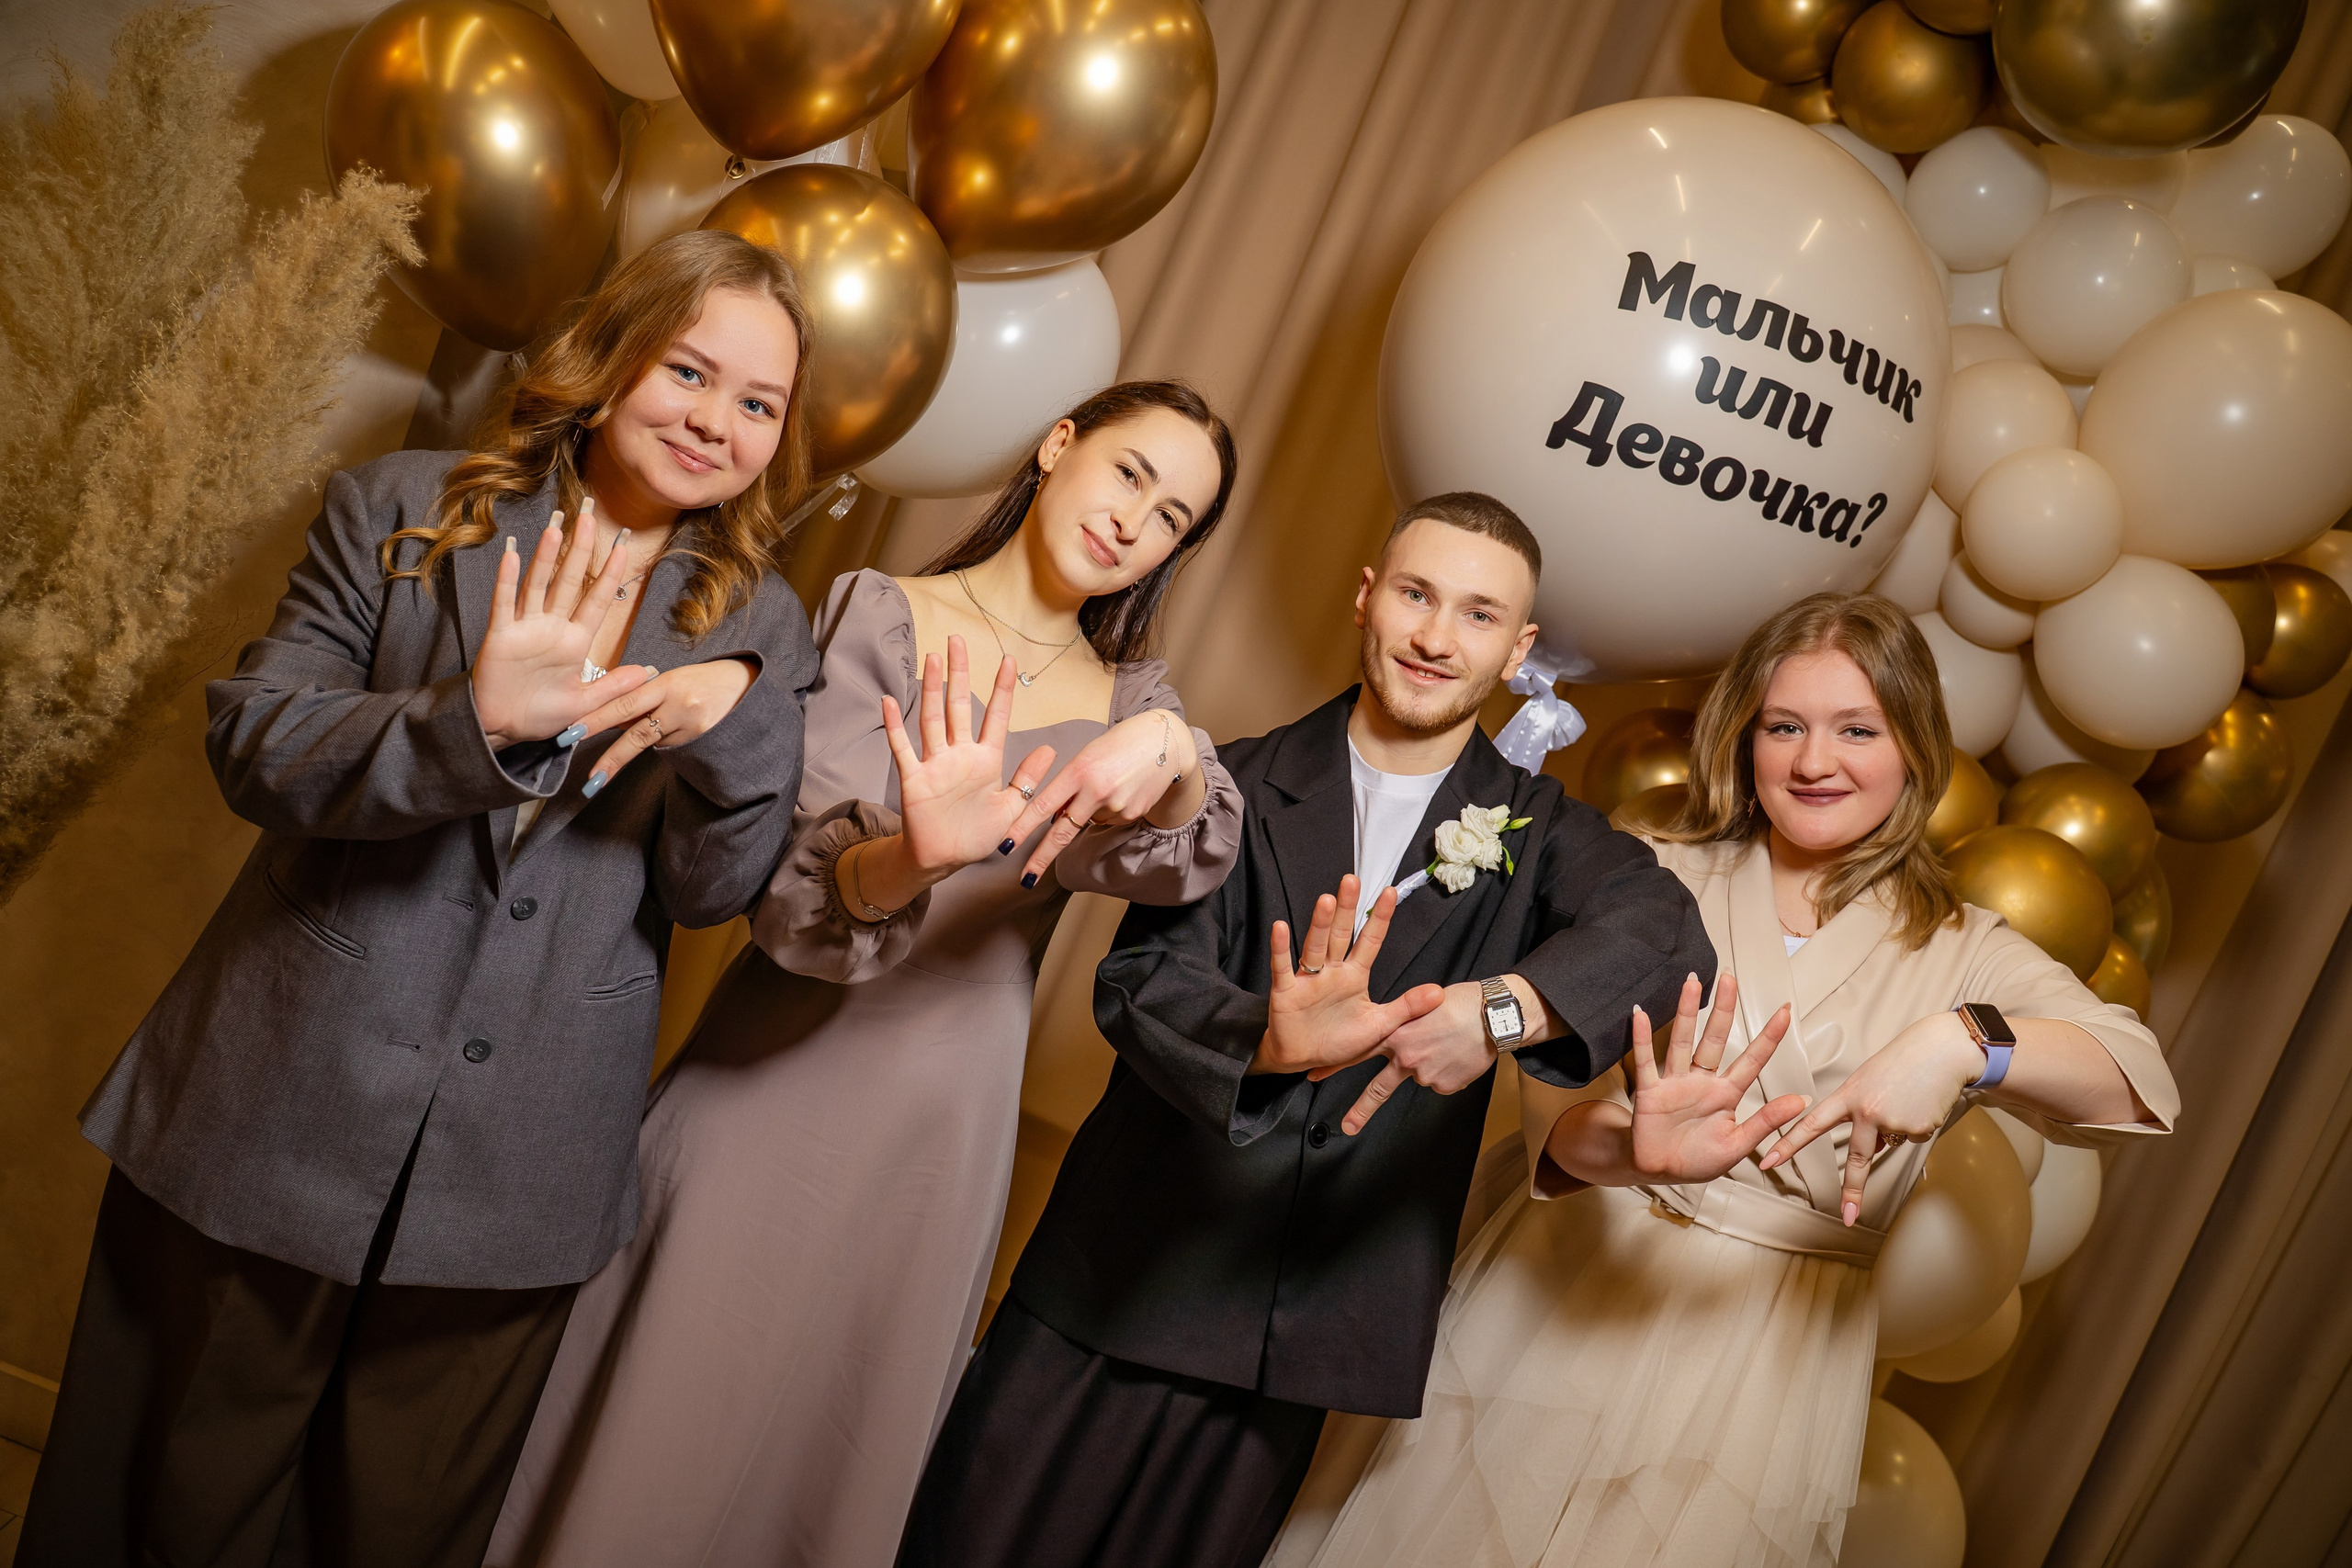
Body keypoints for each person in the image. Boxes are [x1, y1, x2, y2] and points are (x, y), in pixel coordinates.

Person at [18, 229, 823, 1568]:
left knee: (389, 1529)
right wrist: (473, 725)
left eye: (760, 403)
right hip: (276, 1103)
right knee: (180, 1501)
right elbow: (254, 743)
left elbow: (713, 887)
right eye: (691, 369)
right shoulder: (401, 508)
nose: (717, 420)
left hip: (519, 1167)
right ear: (613, 354)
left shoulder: (759, 621)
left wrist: (727, 721)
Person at [488, 380, 1247, 1568]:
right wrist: (909, 857)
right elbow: (784, 909)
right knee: (655, 1439)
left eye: (1171, 519)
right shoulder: (875, 616)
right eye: (1129, 473)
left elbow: (1195, 851)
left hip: (939, 1142)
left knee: (821, 1463)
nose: (1133, 521)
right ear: (1059, 445)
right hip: (776, 1089)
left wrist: (1177, 749)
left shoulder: (1132, 710)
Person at [894, 491, 1717, 1568]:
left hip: (1309, 1334)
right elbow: (1139, 984)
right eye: (1416, 595)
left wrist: (1495, 1009)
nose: (1434, 636)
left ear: (1516, 651)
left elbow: (1665, 936)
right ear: (1367, 599)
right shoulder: (1228, 779)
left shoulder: (1539, 829)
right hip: (1118, 1282)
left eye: (1476, 616)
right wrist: (1271, 1043)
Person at [1283, 591, 2181, 1568]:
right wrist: (1632, 1150)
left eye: (1856, 730)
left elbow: (2139, 1088)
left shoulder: (1964, 949)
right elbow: (1548, 1118)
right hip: (1559, 1296)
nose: (1813, 762)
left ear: (1915, 748)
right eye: (1783, 726)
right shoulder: (1644, 873)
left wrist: (1965, 1044)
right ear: (1743, 736)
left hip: (1766, 1358)